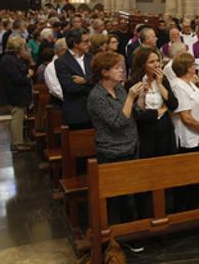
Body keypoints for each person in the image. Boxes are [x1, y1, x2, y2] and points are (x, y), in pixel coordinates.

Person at [87, 51, 144, 253]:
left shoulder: (119, 89)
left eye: (122, 67)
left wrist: (141, 96)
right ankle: (117, 237)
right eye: (117, 68)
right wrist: (131, 97)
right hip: (112, 151)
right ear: (104, 72)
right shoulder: (97, 96)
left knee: (132, 194)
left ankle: (130, 233)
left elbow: (135, 113)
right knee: (119, 198)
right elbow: (118, 122)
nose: (122, 70)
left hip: (130, 147)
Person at [170, 52, 199, 211]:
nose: (195, 66)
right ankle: (184, 210)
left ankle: (194, 207)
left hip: (197, 133)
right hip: (187, 136)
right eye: (193, 64)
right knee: (187, 177)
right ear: (186, 68)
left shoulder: (190, 83)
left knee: (196, 176)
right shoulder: (178, 85)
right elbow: (185, 116)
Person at [128, 47, 178, 158]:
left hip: (165, 130)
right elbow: (138, 114)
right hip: (145, 131)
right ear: (142, 65)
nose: (156, 65)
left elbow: (173, 105)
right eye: (151, 62)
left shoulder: (163, 80)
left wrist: (160, 84)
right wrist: (160, 111)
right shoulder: (133, 83)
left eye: (157, 61)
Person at [0, 36, 34, 152]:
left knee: (19, 117)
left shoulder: (15, 58)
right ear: (18, 48)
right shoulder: (8, 60)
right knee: (17, 118)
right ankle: (17, 143)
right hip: (14, 94)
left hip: (19, 94)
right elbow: (17, 79)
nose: (26, 48)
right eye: (24, 47)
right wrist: (28, 75)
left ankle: (19, 141)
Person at [55, 28, 94, 129]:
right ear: (75, 44)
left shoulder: (91, 58)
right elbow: (71, 88)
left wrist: (85, 81)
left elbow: (99, 79)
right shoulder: (62, 62)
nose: (89, 44)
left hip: (95, 110)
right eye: (86, 42)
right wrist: (92, 85)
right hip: (76, 112)